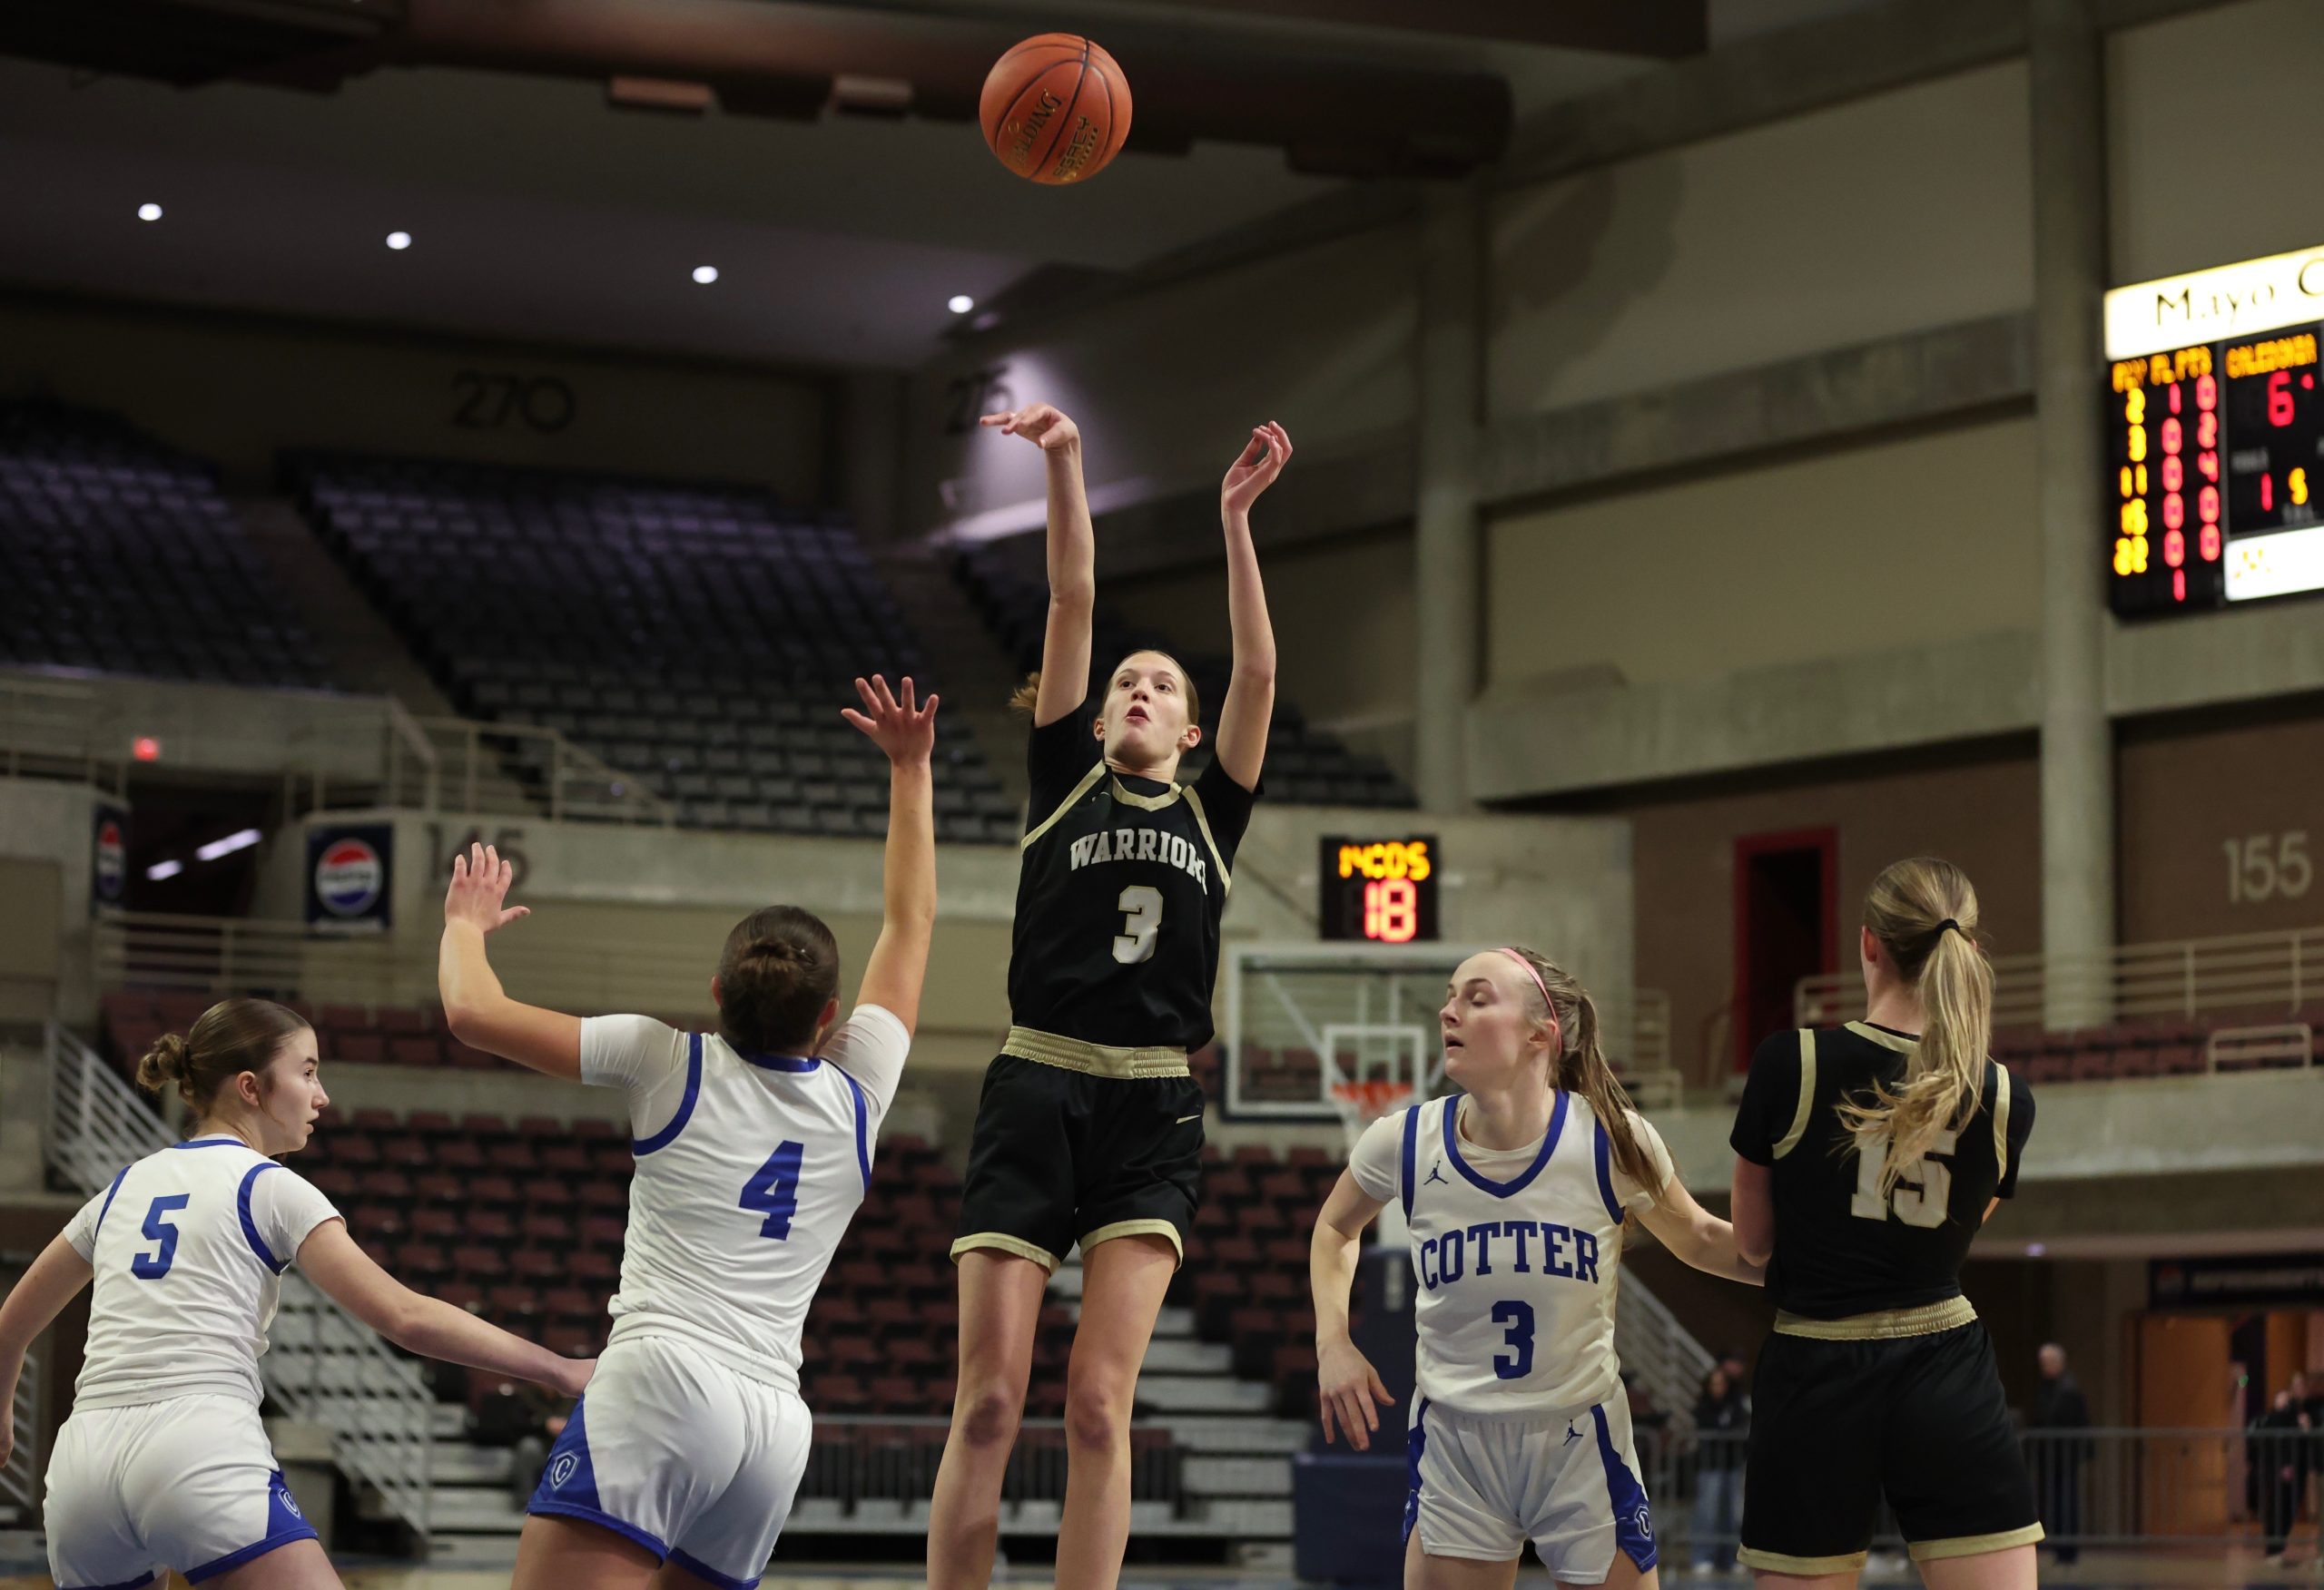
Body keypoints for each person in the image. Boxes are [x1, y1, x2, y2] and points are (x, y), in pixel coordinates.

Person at [438, 673, 939, 1590]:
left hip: (664, 1382)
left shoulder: (666, 1058)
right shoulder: (860, 1089)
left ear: (716, 994)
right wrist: (911, 770)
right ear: (830, 1015)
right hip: (773, 1428)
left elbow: (473, 1014)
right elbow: (911, 923)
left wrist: (466, 925)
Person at [926, 403, 1289, 1590]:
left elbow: (1263, 668)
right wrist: (1069, 459)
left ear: (1190, 729)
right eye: (1124, 682)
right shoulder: (1060, 779)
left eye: (1159, 686)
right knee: (988, 1403)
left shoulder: (1211, 813)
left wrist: (1234, 523)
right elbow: (1072, 600)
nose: (1137, 690)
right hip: (1036, 1082)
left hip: (1151, 1107)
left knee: (1096, 1406)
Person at [0, 998, 592, 1590]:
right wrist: (560, 1370)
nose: (321, 1094)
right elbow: (405, 1317)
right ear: (252, 1088)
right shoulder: (270, 1185)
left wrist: (3, 1415)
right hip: (195, 1443)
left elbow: (12, 1326)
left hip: (82, 1462)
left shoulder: (119, 1189)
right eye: (307, 1071)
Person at [1311, 947, 1765, 1590]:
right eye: (1449, 996)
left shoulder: (1610, 1138)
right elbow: (1334, 1228)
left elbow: (1700, 1239)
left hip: (1579, 1437)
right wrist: (1333, 1342)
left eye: (1476, 997)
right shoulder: (1405, 1141)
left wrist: (1826, 1276)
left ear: (1539, 1034)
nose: (1449, 1010)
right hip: (1457, 1442)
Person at [1728, 857, 2040, 1588]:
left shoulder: (1793, 1062)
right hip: (1945, 1367)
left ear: (1869, 945)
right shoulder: (2003, 1098)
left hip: (1816, 1366)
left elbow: (1752, 1244)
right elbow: (1957, 1230)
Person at [2028, 1342, 2090, 1565]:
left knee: (2066, 1502)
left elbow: (2076, 1423)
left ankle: (2067, 1549)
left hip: (2064, 1458)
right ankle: (2060, 1548)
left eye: (2048, 1363)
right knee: (2054, 1503)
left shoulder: (2067, 1390)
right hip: (2052, 1458)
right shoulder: (2048, 1387)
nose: (2044, 1367)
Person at [1691, 1365, 1749, 1575]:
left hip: (1732, 1466)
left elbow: (1740, 1426)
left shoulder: (1735, 1405)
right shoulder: (1703, 1406)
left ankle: (1730, 1557)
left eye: (1721, 1384)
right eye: (1714, 1384)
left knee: (1732, 1514)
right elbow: (1707, 1425)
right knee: (1708, 1512)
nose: (1718, 1388)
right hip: (1710, 1467)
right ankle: (1703, 1555)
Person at [2250, 1385, 2309, 1559]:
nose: (2283, 1399)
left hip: (2295, 1471)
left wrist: (2305, 1428)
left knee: (2288, 1510)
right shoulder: (2270, 1419)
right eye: (2280, 1397)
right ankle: (2273, 1549)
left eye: (2286, 1397)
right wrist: (2283, 1465)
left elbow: (2301, 1445)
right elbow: (2267, 1445)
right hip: (2275, 1471)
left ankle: (2278, 1547)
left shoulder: (2297, 1419)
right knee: (2276, 1509)